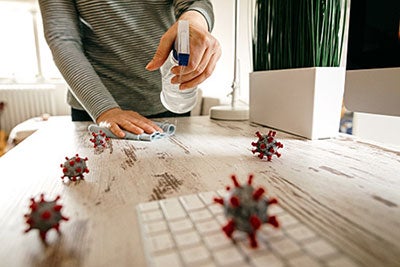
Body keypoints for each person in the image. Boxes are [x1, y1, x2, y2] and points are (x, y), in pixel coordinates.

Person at [38, 0, 221, 138]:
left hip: (167, 102)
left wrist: (195, 21)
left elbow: (195, 3)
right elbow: (63, 39)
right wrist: (105, 110)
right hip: (94, 109)